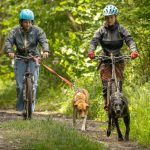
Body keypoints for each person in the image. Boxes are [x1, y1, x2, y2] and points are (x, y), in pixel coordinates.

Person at [88, 4, 139, 111]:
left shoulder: (121, 29)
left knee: (119, 84)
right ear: (104, 18)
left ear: (115, 17)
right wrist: (91, 51)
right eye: (107, 17)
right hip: (105, 58)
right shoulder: (101, 30)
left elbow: (129, 40)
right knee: (106, 85)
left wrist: (133, 50)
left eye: (111, 17)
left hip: (118, 58)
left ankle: (120, 104)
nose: (109, 19)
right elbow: (94, 41)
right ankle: (107, 103)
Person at [4, 9, 49, 113]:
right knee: (20, 86)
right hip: (20, 57)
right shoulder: (14, 31)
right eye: (25, 22)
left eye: (30, 22)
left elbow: (44, 40)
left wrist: (45, 50)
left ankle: (31, 109)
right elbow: (8, 42)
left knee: (33, 86)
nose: (28, 24)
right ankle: (20, 108)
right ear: (21, 22)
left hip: (34, 58)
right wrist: (10, 51)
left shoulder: (38, 30)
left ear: (32, 22)